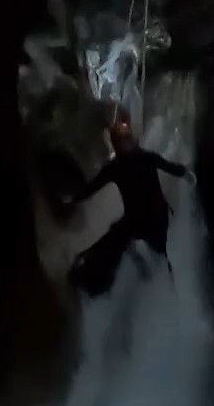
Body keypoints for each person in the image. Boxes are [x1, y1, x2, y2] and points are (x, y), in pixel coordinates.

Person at [64, 118, 192, 294]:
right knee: (117, 237)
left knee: (155, 249)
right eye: (122, 142)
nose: (126, 145)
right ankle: (95, 275)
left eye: (126, 140)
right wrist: (73, 198)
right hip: (140, 220)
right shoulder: (119, 166)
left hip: (154, 219)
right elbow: (92, 188)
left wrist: (186, 173)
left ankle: (161, 279)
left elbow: (171, 168)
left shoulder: (144, 158)